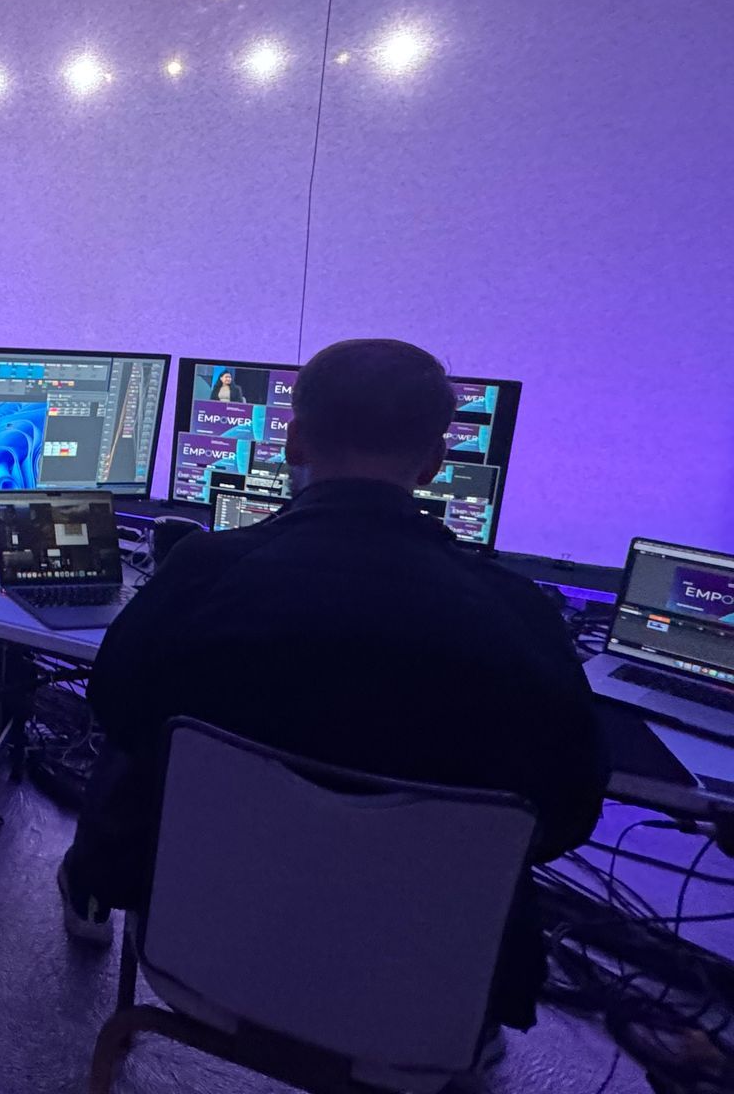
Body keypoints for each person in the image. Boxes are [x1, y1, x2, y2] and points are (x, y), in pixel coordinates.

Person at [59, 338, 604, 1034]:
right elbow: (568, 813)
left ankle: (88, 892)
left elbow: (115, 704)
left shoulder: (203, 572)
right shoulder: (519, 612)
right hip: (426, 980)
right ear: (436, 464)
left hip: (200, 941)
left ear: (293, 444)